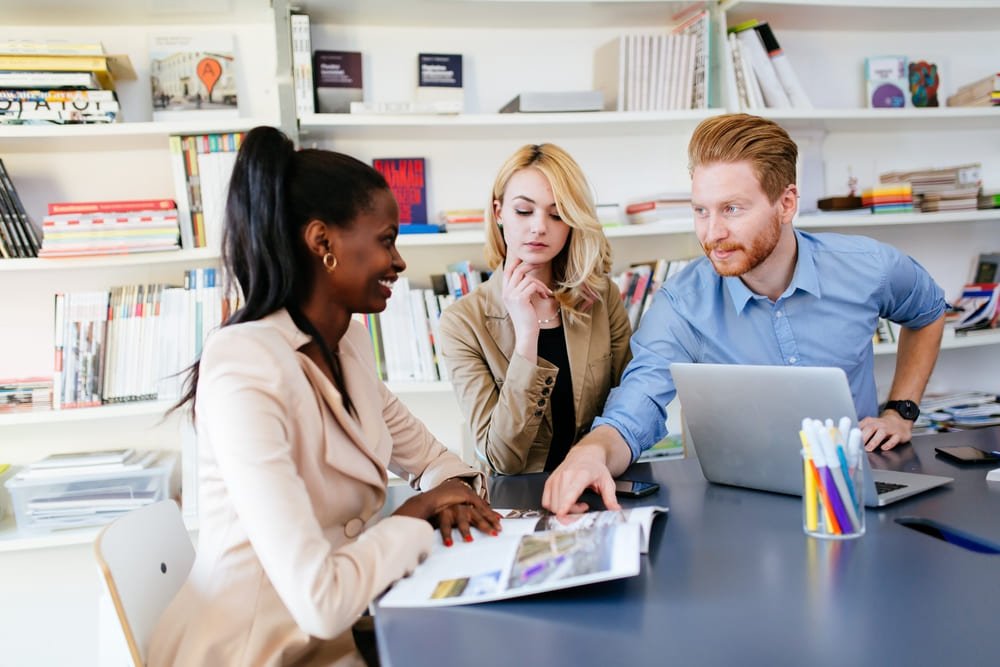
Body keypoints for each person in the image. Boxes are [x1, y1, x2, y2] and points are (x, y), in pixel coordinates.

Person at [149, 126, 501, 667]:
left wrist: (448, 489)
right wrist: (419, 510)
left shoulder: (348, 342)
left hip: (339, 635)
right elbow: (320, 601)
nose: (399, 261)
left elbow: (431, 458)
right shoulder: (244, 369)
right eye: (386, 239)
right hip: (255, 652)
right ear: (323, 243)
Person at [542, 113, 946, 515]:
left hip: (852, 496)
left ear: (786, 203)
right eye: (701, 211)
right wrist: (591, 454)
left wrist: (901, 411)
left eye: (732, 209)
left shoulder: (867, 266)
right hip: (740, 510)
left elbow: (928, 312)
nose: (711, 232)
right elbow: (637, 405)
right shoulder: (682, 304)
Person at [438, 143, 632, 475]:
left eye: (557, 214)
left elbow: (627, 411)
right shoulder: (462, 323)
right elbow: (502, 459)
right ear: (499, 213)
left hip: (598, 484)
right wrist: (527, 338)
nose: (539, 227)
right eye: (524, 211)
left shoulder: (601, 298)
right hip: (519, 503)